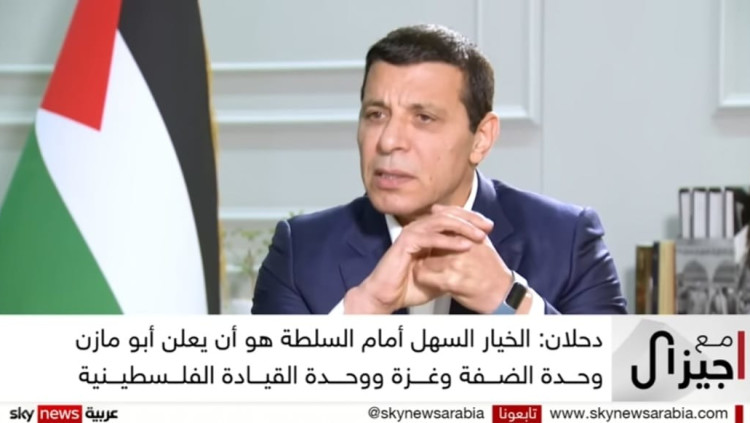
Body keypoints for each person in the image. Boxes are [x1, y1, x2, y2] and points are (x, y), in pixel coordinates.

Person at [251, 24, 627, 315]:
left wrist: (509, 300)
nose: (388, 141)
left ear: (481, 138)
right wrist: (365, 308)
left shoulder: (568, 240)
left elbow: (628, 382)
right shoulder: (300, 251)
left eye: (424, 118)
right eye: (376, 114)